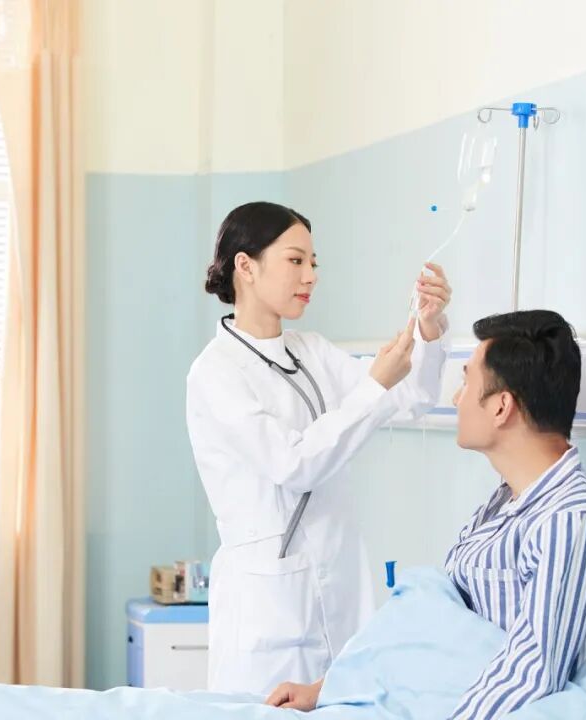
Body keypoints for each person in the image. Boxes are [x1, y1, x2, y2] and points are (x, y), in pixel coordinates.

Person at [266, 310, 586, 718]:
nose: (456, 399)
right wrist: (328, 690)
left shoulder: (572, 521)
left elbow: (528, 675)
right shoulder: (503, 505)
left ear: (501, 407)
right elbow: (428, 636)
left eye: (466, 383)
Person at [186, 201, 453, 694]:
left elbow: (410, 398)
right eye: (295, 260)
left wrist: (429, 330)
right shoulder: (215, 373)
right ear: (245, 266)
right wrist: (374, 386)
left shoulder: (311, 351)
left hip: (341, 589)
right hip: (268, 609)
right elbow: (293, 464)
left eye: (313, 262)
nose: (310, 275)